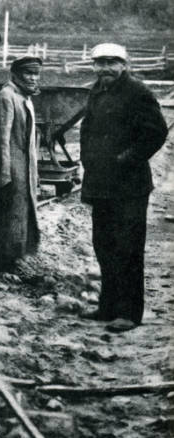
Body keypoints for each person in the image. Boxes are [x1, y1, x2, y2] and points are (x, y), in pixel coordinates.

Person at [79, 43, 168, 333]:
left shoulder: (138, 92)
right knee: (104, 245)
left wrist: (125, 159)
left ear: (124, 65)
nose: (104, 68)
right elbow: (88, 129)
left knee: (127, 249)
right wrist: (88, 161)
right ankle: (108, 307)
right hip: (101, 184)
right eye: (99, 63)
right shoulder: (97, 91)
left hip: (129, 186)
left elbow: (156, 133)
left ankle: (129, 313)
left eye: (111, 63)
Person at [0, 56, 43, 274]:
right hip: (9, 169)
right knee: (3, 214)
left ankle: (11, 260)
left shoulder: (24, 96)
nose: (33, 78)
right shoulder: (6, 96)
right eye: (28, 74)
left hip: (23, 169)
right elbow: (0, 138)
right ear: (15, 74)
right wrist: (3, 175)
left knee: (17, 215)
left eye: (36, 74)